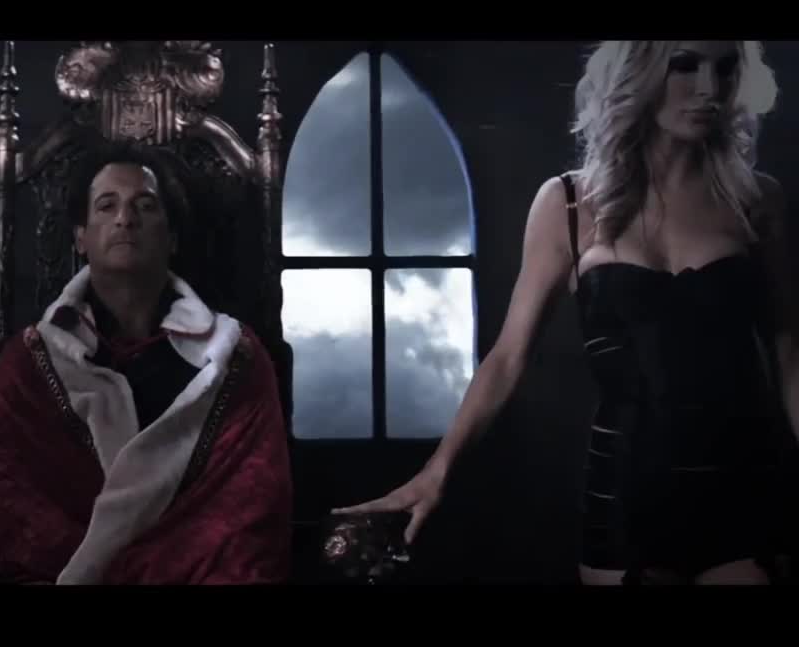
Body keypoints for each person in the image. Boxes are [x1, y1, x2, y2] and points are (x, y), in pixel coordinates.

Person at [336, 40, 799, 585]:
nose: (708, 88)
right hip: (625, 496)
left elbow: (790, 355)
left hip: (743, 490)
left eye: (725, 68)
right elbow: (507, 358)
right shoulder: (569, 205)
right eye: (684, 65)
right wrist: (437, 472)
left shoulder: (757, 201)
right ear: (639, 71)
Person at [0, 143, 293, 584]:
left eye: (145, 205)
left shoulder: (235, 357)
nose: (125, 219)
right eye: (107, 206)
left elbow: (251, 509)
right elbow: (15, 512)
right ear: (81, 237)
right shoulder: (30, 361)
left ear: (173, 236)